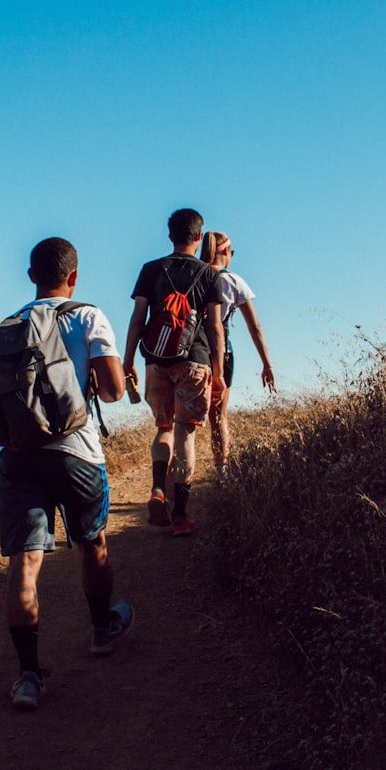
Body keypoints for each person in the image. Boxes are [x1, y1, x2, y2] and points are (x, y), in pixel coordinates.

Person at [0, 237, 132, 711]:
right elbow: (111, 393)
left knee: (24, 565)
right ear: (74, 277)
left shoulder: (7, 329)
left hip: (20, 455)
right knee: (93, 541)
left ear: (30, 276)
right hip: (76, 453)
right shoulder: (88, 316)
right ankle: (102, 629)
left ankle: (28, 676)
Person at [122, 208, 225, 536]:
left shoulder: (151, 269)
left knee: (163, 428)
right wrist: (219, 372)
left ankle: (157, 489)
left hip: (156, 361)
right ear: (199, 237)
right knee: (185, 433)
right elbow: (215, 328)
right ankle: (180, 515)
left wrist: (127, 362)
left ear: (170, 236)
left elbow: (138, 318)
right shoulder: (210, 275)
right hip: (194, 362)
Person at [199, 230, 276, 474]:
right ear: (224, 252)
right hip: (223, 353)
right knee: (218, 416)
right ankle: (222, 471)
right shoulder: (233, 281)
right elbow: (255, 326)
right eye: (231, 252)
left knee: (184, 419)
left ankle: (178, 478)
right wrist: (267, 364)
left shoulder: (195, 275)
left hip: (193, 352)